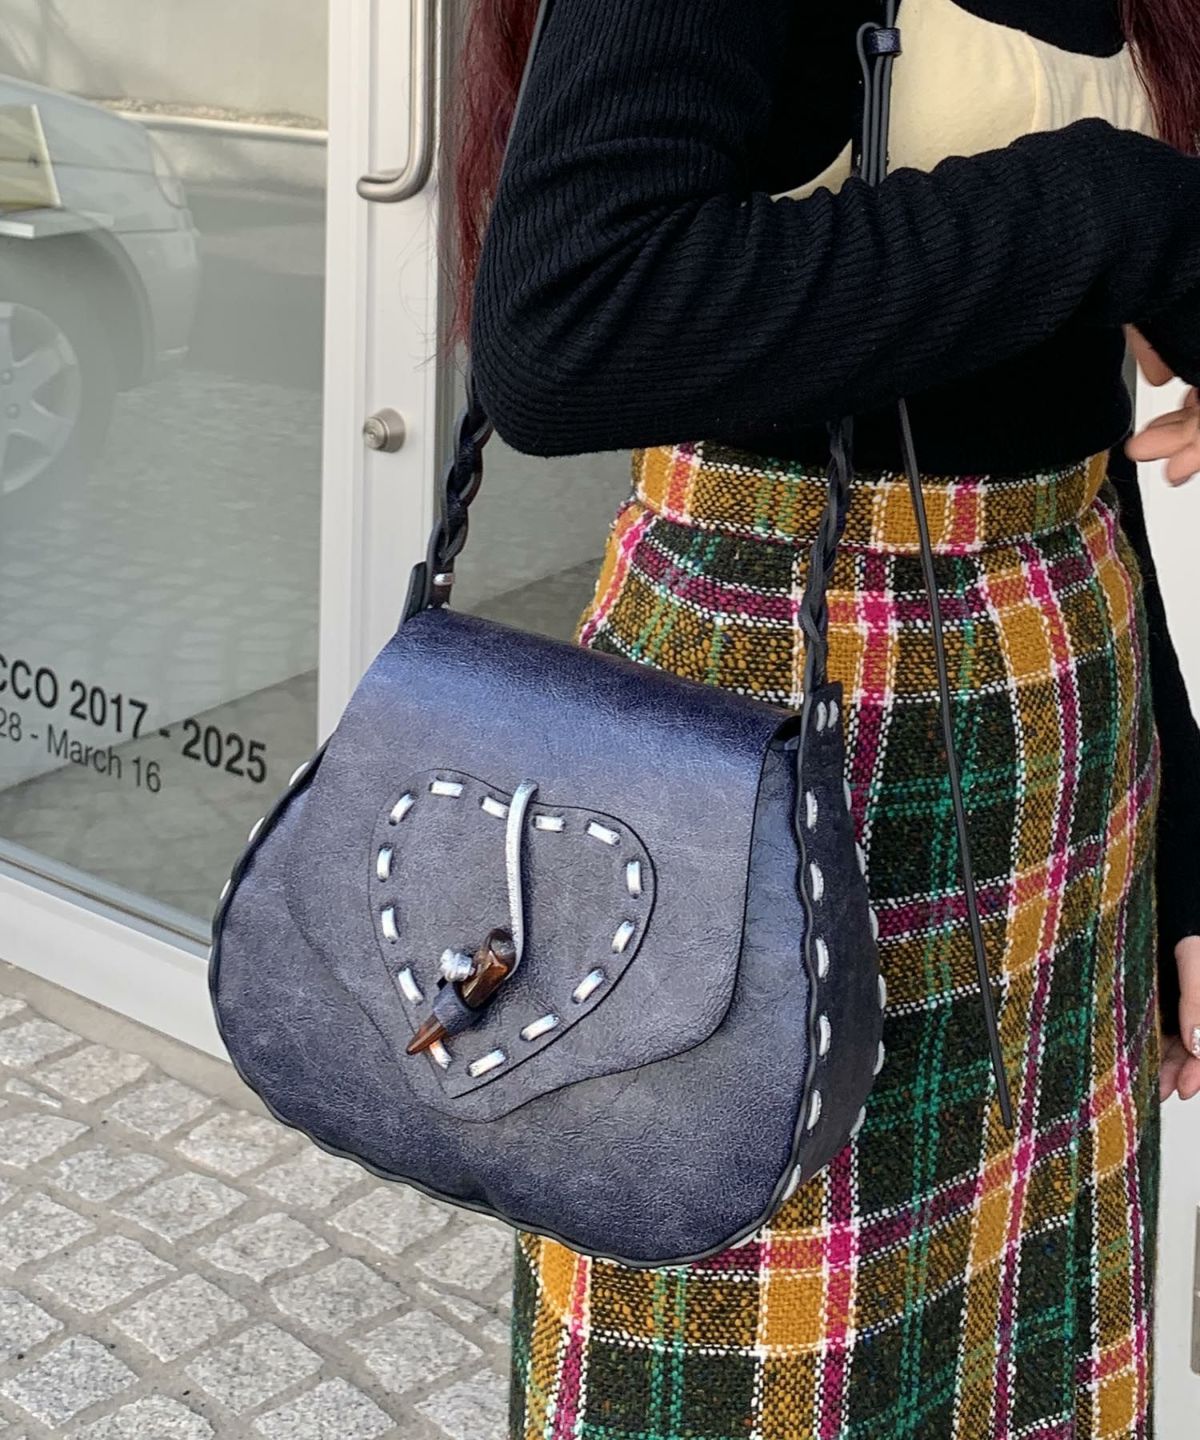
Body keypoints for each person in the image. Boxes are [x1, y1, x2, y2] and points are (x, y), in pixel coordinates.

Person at [445, 0, 1200, 1434]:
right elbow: (567, 316)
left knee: (1034, 1370)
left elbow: (1071, 430)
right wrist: (1124, 207)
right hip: (775, 714)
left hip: (1064, 725)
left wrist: (1189, 842)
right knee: (731, 1372)